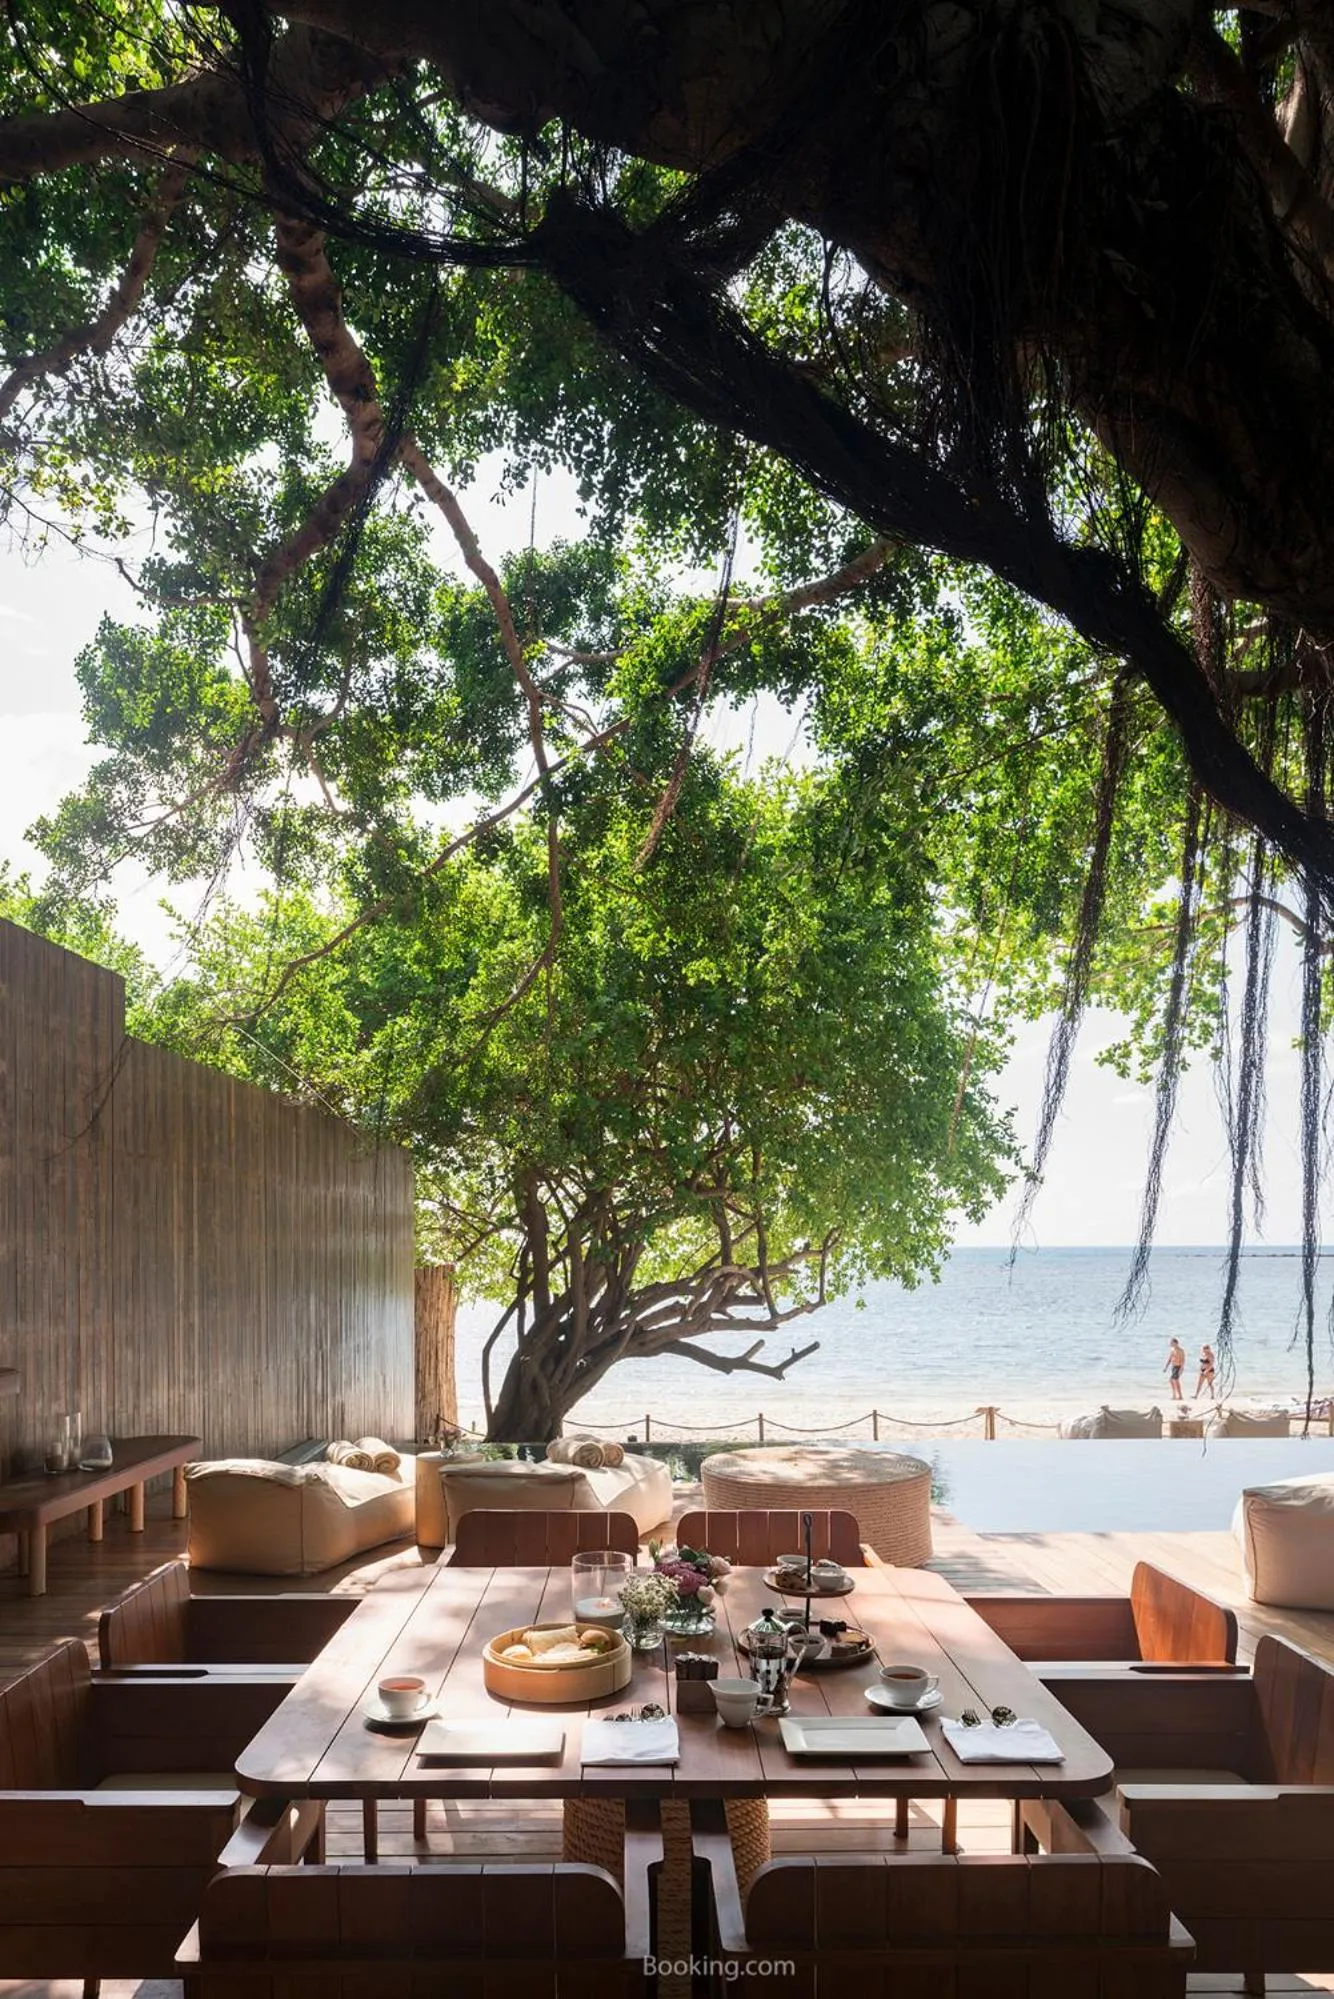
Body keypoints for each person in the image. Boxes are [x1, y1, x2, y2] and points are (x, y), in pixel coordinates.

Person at [1164, 1336, 1186, 1402]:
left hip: (1178, 1367)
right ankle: (1174, 1395)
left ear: (1176, 1343)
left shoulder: (1181, 1350)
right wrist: (1166, 1367)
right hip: (1173, 1367)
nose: (1171, 1344)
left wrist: (1181, 1369)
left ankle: (1180, 1396)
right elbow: (1170, 1359)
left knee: (1176, 1381)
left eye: (1172, 1343)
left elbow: (1183, 1360)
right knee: (1171, 1380)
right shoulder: (1172, 1350)